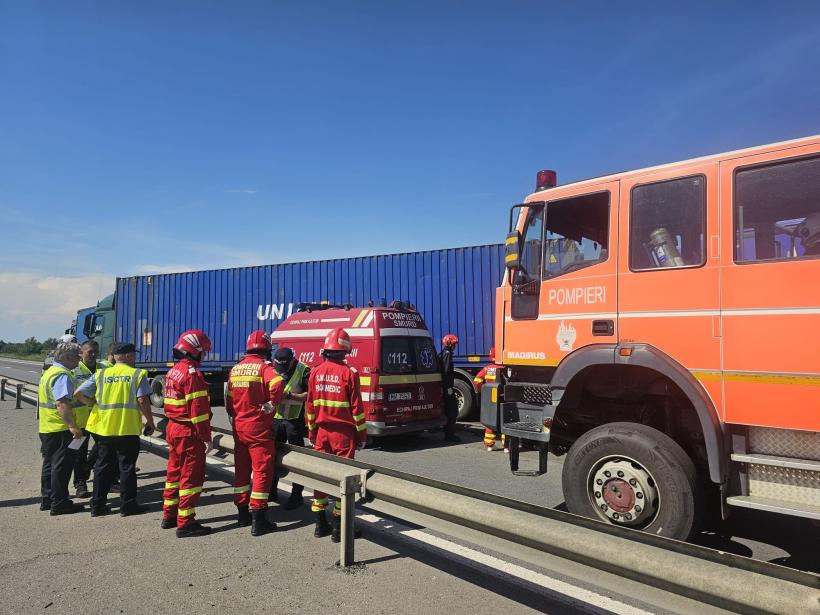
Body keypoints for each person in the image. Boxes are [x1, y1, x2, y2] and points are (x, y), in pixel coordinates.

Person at [75, 342, 155, 517]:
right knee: (126, 467)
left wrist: (93, 403)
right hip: (126, 428)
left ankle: (97, 506)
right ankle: (128, 505)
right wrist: (150, 421)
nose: (135, 357)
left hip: (103, 428)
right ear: (125, 356)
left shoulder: (101, 374)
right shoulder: (137, 374)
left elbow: (78, 393)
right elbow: (143, 400)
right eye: (133, 354)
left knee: (103, 466)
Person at [306, 328, 367, 542]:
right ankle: (339, 528)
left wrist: (312, 432)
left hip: (321, 432)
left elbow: (310, 407)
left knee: (321, 477)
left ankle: (319, 524)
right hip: (343, 435)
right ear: (345, 351)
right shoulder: (349, 373)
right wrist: (361, 436)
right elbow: (357, 409)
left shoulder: (315, 372)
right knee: (344, 480)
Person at [225, 330, 284, 536]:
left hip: (239, 426)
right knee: (261, 471)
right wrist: (272, 403)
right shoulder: (263, 367)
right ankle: (259, 519)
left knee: (241, 470)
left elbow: (229, 399)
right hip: (258, 427)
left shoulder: (236, 368)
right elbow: (278, 384)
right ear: (266, 350)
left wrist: (234, 414)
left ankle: (242, 514)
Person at [161, 330, 214, 538]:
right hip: (188, 431)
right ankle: (186, 522)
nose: (204, 356)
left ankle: (169, 515)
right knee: (191, 477)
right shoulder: (192, 375)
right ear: (196, 352)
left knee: (174, 474)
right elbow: (199, 412)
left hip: (173, 427)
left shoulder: (174, 371)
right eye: (204, 352)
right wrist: (206, 438)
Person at [38, 342, 85, 515]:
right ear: (67, 357)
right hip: (61, 429)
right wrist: (73, 426)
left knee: (49, 465)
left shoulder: (50, 371)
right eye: (77, 356)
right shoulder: (62, 375)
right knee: (62, 467)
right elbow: (62, 403)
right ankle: (60, 503)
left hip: (47, 427)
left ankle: (48, 499)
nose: (79, 359)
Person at [270, 346, 310, 510]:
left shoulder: (303, 370)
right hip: (277, 419)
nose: (280, 370)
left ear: (292, 360)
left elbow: (309, 394)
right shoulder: (273, 368)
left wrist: (288, 396)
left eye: (284, 367)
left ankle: (296, 495)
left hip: (294, 421)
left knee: (297, 461)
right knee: (273, 457)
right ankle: (271, 490)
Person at [69, 340, 104, 498]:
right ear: (81, 353)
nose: (93, 354)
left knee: (104, 446)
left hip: (99, 418)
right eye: (89, 352)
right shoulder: (74, 370)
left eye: (95, 351)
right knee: (78, 452)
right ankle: (80, 483)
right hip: (80, 420)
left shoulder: (103, 369)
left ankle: (88, 467)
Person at [473, 347, 507, 452]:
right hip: (502, 397)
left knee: (490, 420)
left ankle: (489, 445)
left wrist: (482, 390)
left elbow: (477, 380)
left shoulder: (486, 368)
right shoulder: (504, 368)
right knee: (504, 421)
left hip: (490, 398)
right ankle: (506, 446)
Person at [439, 333, 461, 443]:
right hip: (447, 386)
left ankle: (448, 433)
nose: (455, 346)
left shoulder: (445, 353)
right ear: (450, 344)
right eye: (454, 344)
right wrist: (448, 387)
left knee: (450, 410)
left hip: (446, 386)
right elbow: (446, 371)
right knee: (452, 411)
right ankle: (449, 435)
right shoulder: (447, 353)